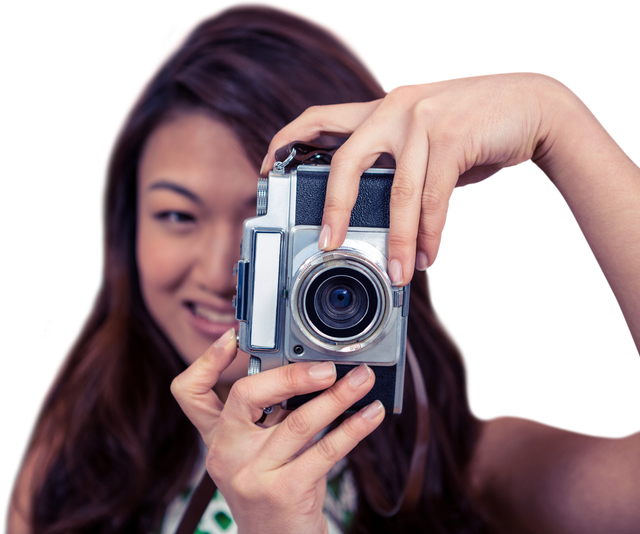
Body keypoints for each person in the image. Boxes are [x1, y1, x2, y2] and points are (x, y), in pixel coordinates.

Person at [6, 1, 639, 533]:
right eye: (178, 215)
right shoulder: (83, 446)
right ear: (124, 229)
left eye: (274, 224)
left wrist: (557, 122)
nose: (228, 268)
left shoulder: (467, 464)